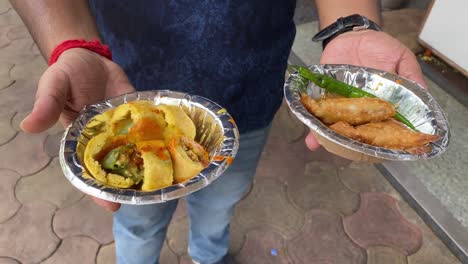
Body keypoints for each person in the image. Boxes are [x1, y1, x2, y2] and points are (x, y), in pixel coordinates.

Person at [12, 0, 426, 263]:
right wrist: (71, 43)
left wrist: (350, 25)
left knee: (222, 202)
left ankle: (208, 256)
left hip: (249, 88)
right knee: (137, 222)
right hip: (124, 88)